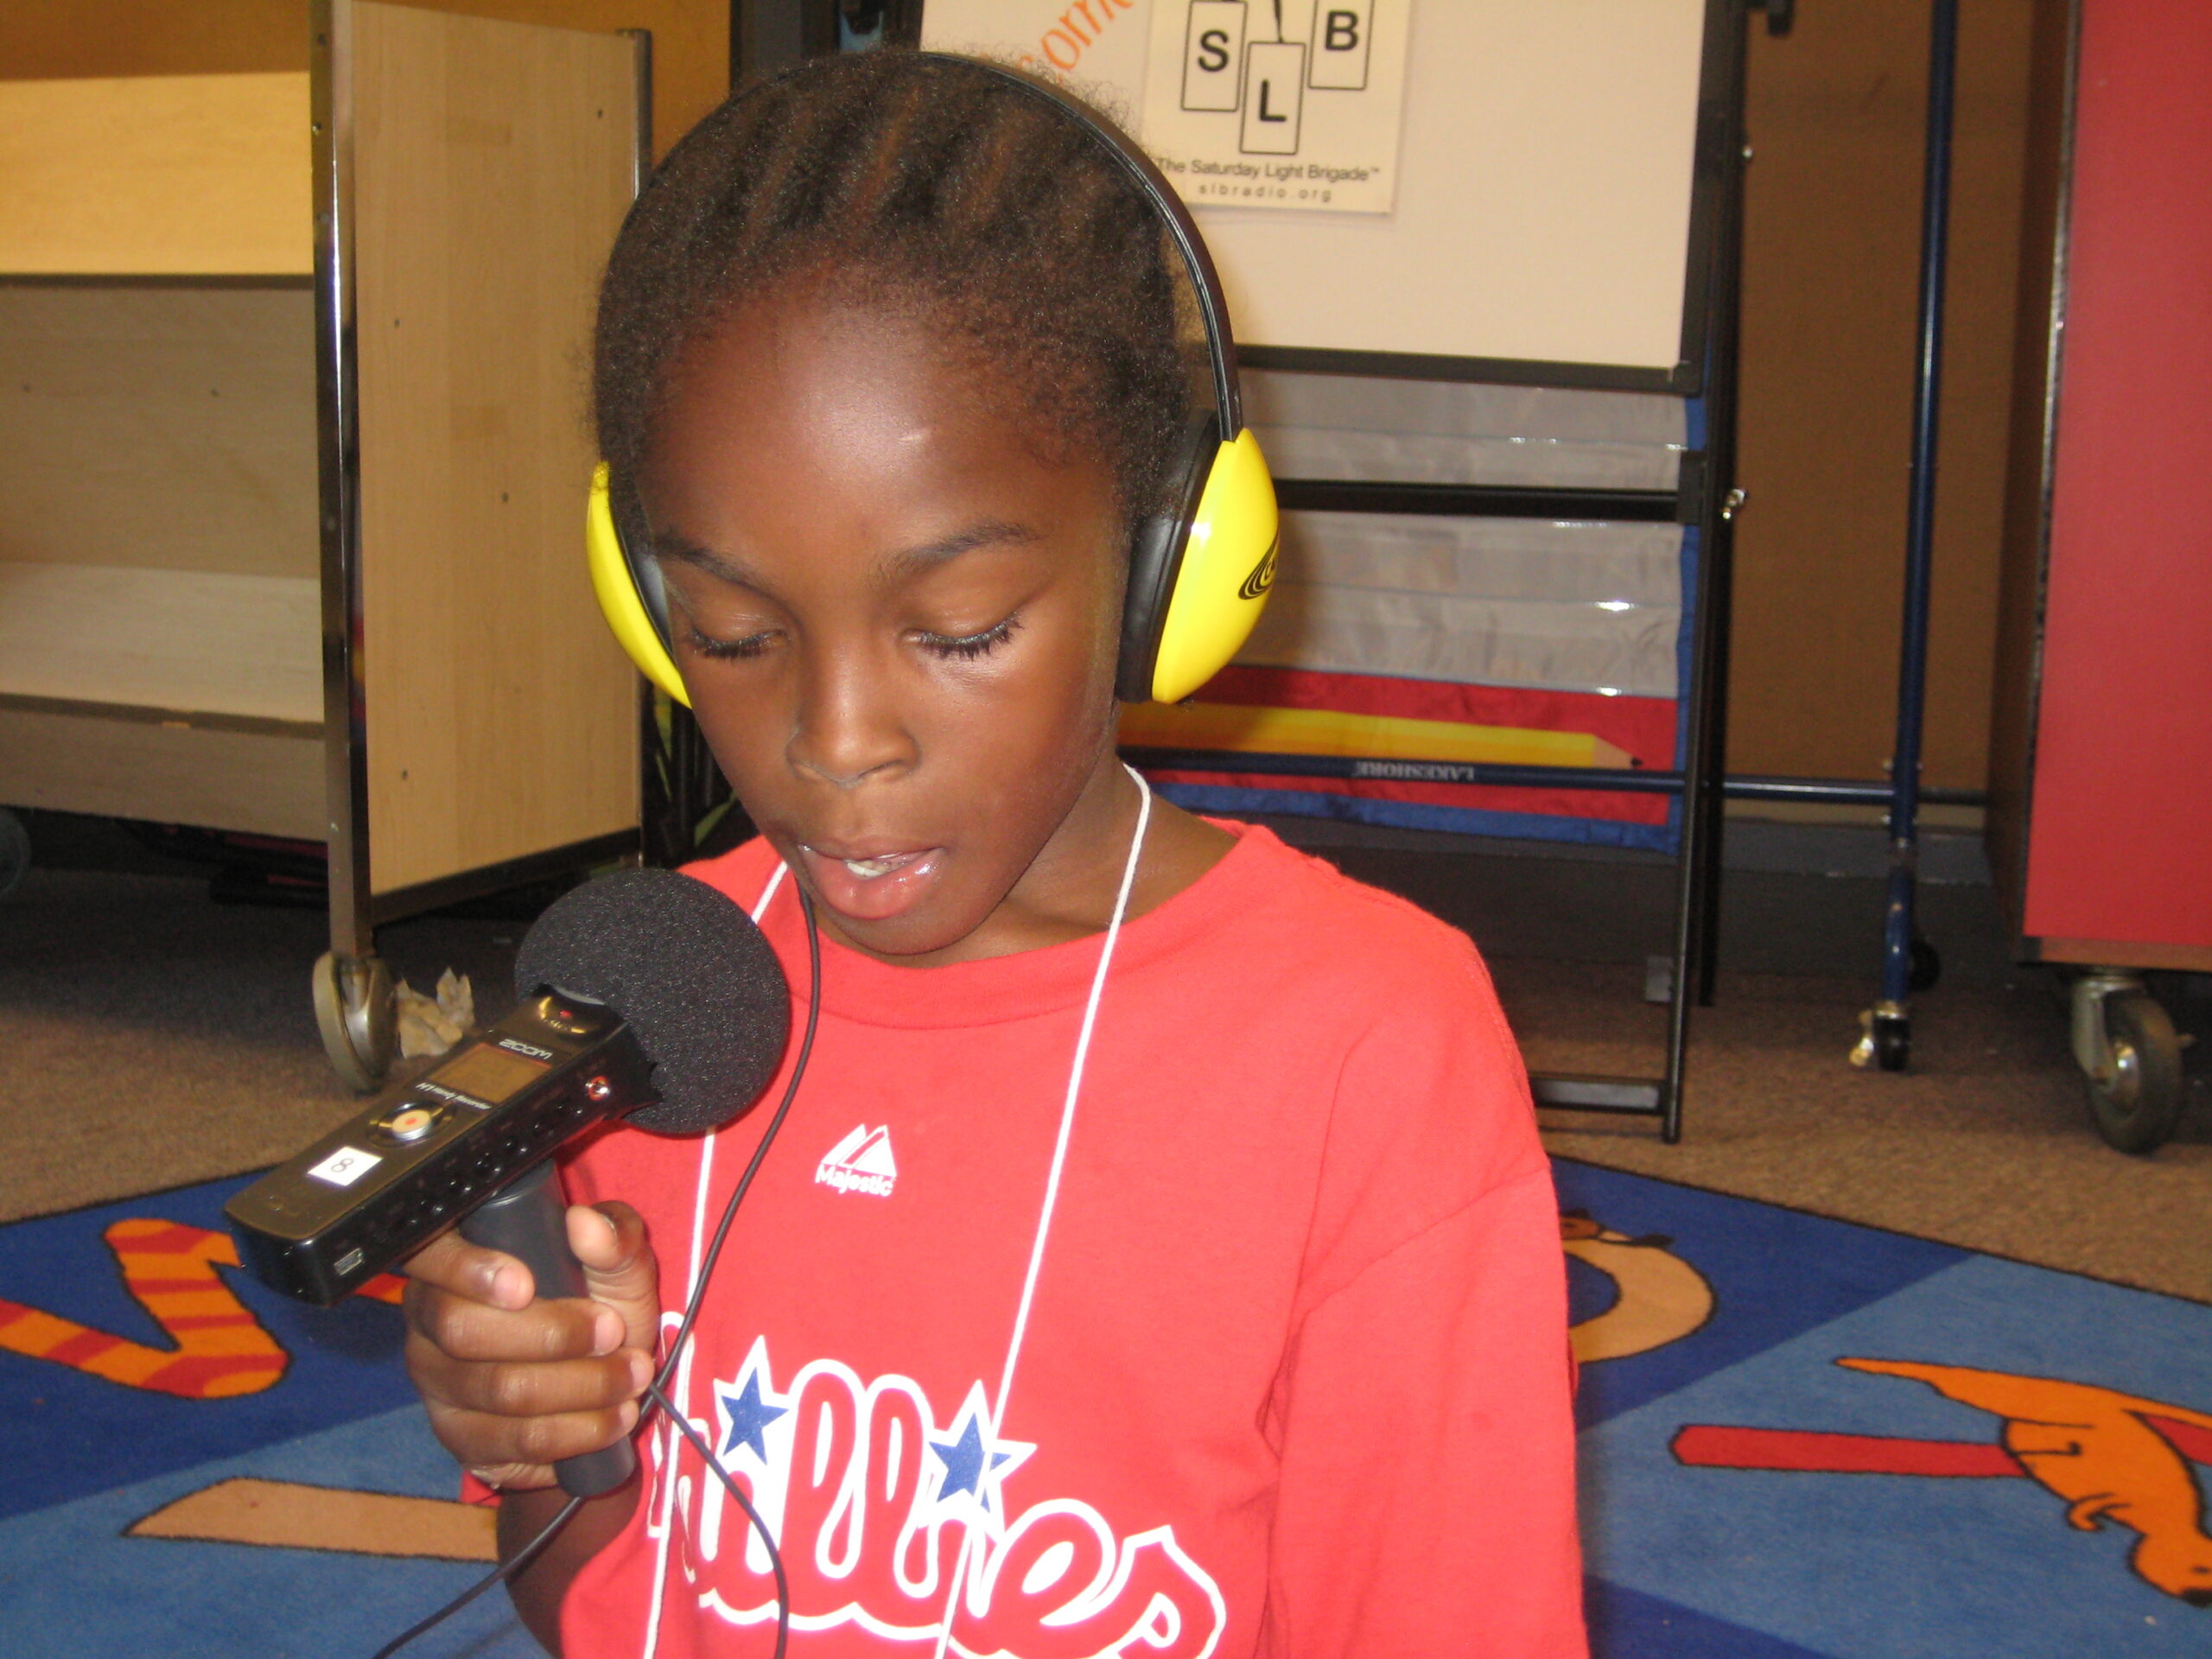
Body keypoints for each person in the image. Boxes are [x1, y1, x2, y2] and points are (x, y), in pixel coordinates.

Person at [401, 48, 1585, 1659]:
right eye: (736, 634)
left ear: (1173, 564)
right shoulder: (658, 994)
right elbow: (595, 1602)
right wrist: (543, 1434)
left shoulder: (1368, 1047)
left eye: (957, 632)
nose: (836, 742)